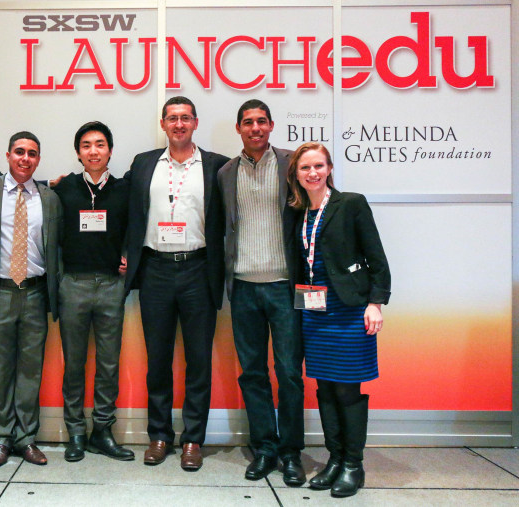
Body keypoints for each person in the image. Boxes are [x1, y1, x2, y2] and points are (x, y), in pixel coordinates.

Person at [124, 96, 229, 470]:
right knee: (159, 359)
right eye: (172, 118)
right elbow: (126, 208)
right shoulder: (144, 163)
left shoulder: (217, 166)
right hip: (155, 270)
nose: (179, 124)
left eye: (185, 118)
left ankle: (193, 440)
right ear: (163, 124)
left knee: (199, 359)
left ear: (196, 123)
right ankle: (159, 435)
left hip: (199, 270)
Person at [287, 142, 390, 498]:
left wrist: (376, 302)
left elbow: (376, 257)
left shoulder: (351, 204)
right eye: (305, 168)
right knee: (325, 387)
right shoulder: (297, 210)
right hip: (314, 312)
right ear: (296, 174)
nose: (312, 173)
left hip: (348, 309)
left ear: (329, 168)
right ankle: (334, 459)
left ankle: (353, 465)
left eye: (318, 166)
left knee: (347, 388)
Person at [216, 100, 305, 484]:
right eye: (248, 122)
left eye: (261, 121)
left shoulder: (292, 163)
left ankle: (291, 453)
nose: (255, 128)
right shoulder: (225, 173)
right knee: (252, 373)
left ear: (271, 126)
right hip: (244, 288)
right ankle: (265, 447)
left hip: (285, 287)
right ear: (238, 129)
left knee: (288, 373)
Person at [0, 132, 63, 468]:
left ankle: (26, 438)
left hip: (36, 292)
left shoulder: (49, 197)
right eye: (20, 152)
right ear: (8, 155)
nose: (25, 158)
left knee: (30, 369)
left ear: (38, 159)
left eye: (32, 154)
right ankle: (0, 438)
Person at [52, 121, 133, 462]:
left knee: (109, 364)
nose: (94, 151)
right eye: (86, 145)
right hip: (73, 285)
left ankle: (102, 430)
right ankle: (75, 433)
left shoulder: (124, 189)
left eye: (100, 144)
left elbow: (137, 225)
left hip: (111, 287)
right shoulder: (63, 188)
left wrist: (128, 254)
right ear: (78, 153)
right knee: (74, 364)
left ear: (110, 150)